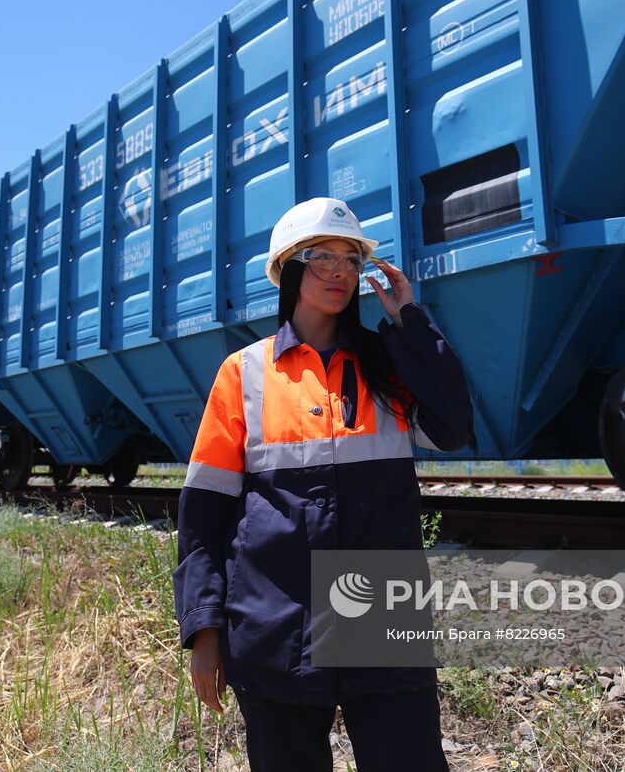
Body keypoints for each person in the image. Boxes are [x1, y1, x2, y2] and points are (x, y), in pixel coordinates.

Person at [172, 197, 475, 772]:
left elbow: (454, 427)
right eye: (321, 257)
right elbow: (204, 517)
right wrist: (203, 628)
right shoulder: (244, 374)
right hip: (273, 625)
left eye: (351, 259)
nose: (340, 271)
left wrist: (411, 322)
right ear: (288, 268)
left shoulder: (387, 364)